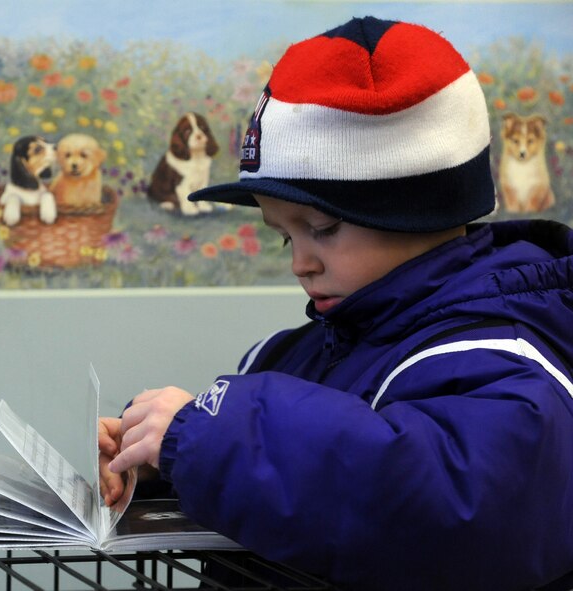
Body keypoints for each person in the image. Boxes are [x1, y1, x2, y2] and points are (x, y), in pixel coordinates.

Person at [98, 16, 573, 591]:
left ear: (420, 211)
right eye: (283, 235)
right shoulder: (291, 353)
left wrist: (209, 439)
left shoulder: (504, 356)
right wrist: (159, 461)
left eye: (321, 227)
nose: (300, 262)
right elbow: (316, 503)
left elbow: (461, 510)